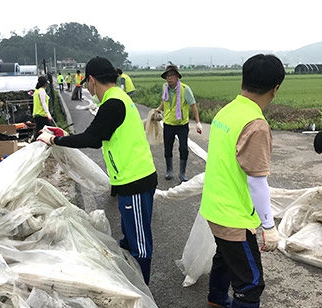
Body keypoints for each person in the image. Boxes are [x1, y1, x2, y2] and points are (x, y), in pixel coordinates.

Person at [37, 57, 157, 285]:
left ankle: (144, 297)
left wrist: (53, 139)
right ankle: (131, 283)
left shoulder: (113, 103)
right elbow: (99, 136)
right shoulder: (119, 98)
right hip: (131, 180)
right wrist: (61, 136)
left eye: (86, 82)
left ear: (91, 80)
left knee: (140, 247)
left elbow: (92, 139)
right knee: (129, 240)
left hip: (135, 182)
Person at [199, 53, 285, 308]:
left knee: (225, 255)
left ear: (242, 81)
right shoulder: (256, 123)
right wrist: (269, 226)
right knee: (250, 283)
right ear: (275, 89)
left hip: (214, 206)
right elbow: (258, 182)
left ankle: (217, 296)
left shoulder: (229, 110)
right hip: (234, 214)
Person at [156, 65, 202, 182]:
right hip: (168, 123)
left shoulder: (185, 89)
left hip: (182, 124)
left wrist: (197, 122)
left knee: (183, 148)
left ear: (177, 76)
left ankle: (182, 173)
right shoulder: (165, 88)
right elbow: (164, 102)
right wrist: (158, 110)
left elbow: (193, 106)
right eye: (167, 76)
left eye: (172, 75)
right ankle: (169, 170)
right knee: (168, 148)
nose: (169, 78)